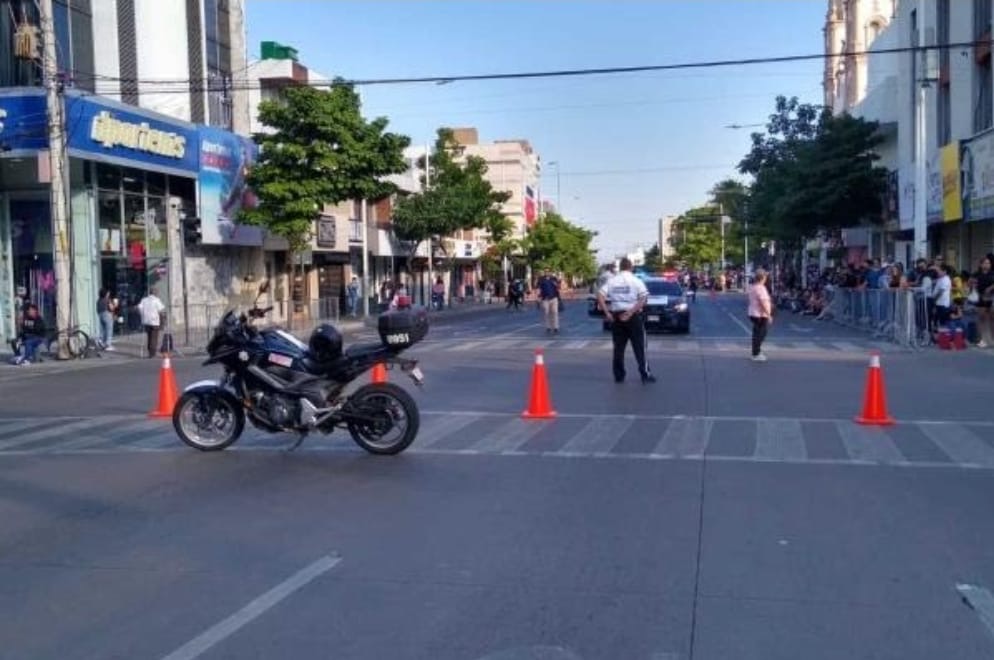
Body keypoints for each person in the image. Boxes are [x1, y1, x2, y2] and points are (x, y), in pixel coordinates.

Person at [598, 257, 655, 384]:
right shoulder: (636, 280)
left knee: (618, 348)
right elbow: (643, 298)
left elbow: (600, 295)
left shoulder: (612, 281)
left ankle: (619, 375)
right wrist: (631, 312)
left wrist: (607, 312)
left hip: (616, 316)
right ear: (631, 267)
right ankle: (645, 374)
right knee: (640, 347)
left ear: (621, 268)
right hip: (632, 316)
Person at [748, 269, 774, 362]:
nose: (766, 279)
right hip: (760, 314)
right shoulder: (761, 288)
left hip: (753, 313)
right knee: (761, 333)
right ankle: (756, 353)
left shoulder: (753, 287)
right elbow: (763, 302)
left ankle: (755, 352)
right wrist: (769, 314)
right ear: (762, 278)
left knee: (757, 333)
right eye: (765, 277)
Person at [139, 288, 165, 358]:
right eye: (157, 292)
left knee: (149, 336)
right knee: (154, 337)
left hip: (146, 321)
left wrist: (143, 315)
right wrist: (163, 319)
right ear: (155, 293)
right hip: (154, 321)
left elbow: (139, 307)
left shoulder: (144, 300)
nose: (157, 293)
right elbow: (161, 310)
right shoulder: (156, 300)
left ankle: (150, 351)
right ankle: (152, 353)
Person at [975, 255, 994, 347]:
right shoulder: (977, 274)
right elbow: (972, 284)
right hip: (981, 298)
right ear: (981, 265)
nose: (987, 265)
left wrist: (990, 288)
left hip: (991, 298)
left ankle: (992, 339)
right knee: (981, 319)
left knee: (992, 318)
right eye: (985, 263)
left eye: (989, 263)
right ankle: (982, 339)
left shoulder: (992, 273)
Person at [537, 269, 561, 334]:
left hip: (554, 298)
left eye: (548, 271)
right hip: (545, 299)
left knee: (555, 313)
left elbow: (558, 287)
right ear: (544, 272)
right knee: (546, 313)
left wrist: (556, 283)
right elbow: (539, 289)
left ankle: (556, 327)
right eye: (546, 271)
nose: (547, 273)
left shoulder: (554, 279)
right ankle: (548, 327)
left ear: (550, 272)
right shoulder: (541, 279)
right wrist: (538, 298)